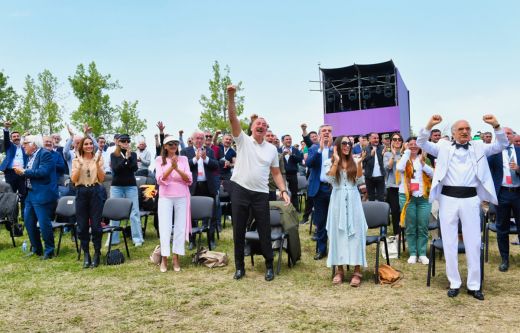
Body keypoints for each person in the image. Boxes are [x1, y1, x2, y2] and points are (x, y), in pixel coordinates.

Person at [416, 114, 508, 300]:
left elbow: (502, 144)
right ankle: (454, 282)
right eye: (461, 129)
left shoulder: (479, 146)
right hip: (448, 198)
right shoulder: (442, 146)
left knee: (473, 242)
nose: (465, 132)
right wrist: (430, 125)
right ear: (453, 133)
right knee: (449, 242)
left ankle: (474, 285)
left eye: (468, 129)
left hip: (471, 199)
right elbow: (421, 142)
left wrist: (496, 125)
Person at [227, 84, 290, 282]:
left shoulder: (272, 150)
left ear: (267, 129)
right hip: (240, 190)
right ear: (252, 127)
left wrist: (283, 190)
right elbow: (232, 118)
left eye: (264, 124)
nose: (261, 125)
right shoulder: (243, 140)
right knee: (239, 230)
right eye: (258, 123)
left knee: (264, 229)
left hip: (261, 193)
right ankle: (239, 267)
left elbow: (277, 173)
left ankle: (269, 266)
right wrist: (231, 96)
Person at [325, 136, 367, 286]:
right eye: (344, 143)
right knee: (338, 233)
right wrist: (336, 161)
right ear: (337, 145)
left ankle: (357, 271)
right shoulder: (329, 162)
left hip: (353, 198)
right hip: (337, 199)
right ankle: (340, 270)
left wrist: (360, 163)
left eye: (349, 143)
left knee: (355, 233)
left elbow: (360, 181)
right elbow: (329, 181)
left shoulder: (355, 161)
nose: (347, 146)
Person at [13, 135, 57, 259]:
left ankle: (49, 251)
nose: (23, 145)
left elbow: (43, 172)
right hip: (31, 194)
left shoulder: (45, 154)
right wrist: (21, 172)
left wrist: (24, 172)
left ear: (34, 144)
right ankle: (37, 249)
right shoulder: (30, 156)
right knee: (28, 222)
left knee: (43, 224)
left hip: (42, 194)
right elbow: (30, 173)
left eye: (26, 143)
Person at [155, 135, 192, 273]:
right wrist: (172, 167)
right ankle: (164, 258)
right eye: (170, 143)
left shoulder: (184, 159)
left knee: (180, 227)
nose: (173, 146)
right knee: (165, 228)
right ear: (165, 146)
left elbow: (188, 178)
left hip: (182, 195)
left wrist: (177, 168)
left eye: (175, 143)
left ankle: (176, 258)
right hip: (165, 196)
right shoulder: (159, 160)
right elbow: (160, 179)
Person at [396, 137, 433, 265]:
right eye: (410, 144)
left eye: (415, 144)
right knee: (411, 227)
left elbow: (433, 174)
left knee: (423, 226)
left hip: (423, 197)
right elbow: (400, 168)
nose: (413, 146)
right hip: (407, 197)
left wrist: (423, 164)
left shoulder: (424, 159)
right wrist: (406, 152)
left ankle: (422, 253)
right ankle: (412, 253)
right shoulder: (403, 158)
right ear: (406, 146)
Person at [487, 127, 520, 272]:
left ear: (513, 136)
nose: (506, 136)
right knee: (502, 228)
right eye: (503, 134)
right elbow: (485, 171)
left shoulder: (519, 151)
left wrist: (518, 169)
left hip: (518, 192)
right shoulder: (494, 153)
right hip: (502, 193)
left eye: (509, 133)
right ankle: (505, 259)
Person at [70, 137, 105, 268]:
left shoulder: (99, 159)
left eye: (91, 143)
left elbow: (101, 179)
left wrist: (96, 164)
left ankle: (97, 253)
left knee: (96, 226)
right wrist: (79, 165)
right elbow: (73, 180)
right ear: (82, 146)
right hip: (81, 192)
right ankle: (86, 254)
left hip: (95, 191)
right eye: (86, 144)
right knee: (82, 226)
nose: (89, 146)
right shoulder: (76, 160)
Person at [181, 131, 219, 249]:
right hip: (193, 186)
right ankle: (192, 239)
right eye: (197, 138)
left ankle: (211, 239)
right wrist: (195, 159)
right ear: (192, 139)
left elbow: (215, 165)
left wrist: (206, 158)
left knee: (212, 214)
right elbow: (183, 166)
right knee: (191, 213)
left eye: (201, 138)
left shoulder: (210, 151)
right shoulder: (185, 151)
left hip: (208, 185)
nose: (199, 140)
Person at [108, 134, 145, 247]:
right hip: (116, 186)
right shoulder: (113, 155)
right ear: (118, 142)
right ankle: (113, 239)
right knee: (114, 212)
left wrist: (128, 158)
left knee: (134, 212)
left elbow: (134, 168)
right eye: (123, 141)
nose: (126, 143)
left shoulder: (133, 154)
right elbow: (116, 169)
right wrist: (125, 159)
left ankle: (137, 239)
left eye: (128, 141)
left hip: (130, 186)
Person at [306, 124, 334, 260]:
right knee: (321, 221)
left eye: (329, 131)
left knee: (335, 220)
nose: (327, 133)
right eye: (324, 131)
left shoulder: (337, 149)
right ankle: (321, 249)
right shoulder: (314, 148)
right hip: (319, 189)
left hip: (334, 188)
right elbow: (309, 164)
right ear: (319, 135)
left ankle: (335, 249)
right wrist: (320, 150)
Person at [1, 121, 28, 216]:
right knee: (11, 195)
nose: (16, 138)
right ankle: (12, 216)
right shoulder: (10, 146)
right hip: (10, 173)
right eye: (14, 137)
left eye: (18, 136)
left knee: (23, 194)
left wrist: (27, 136)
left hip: (22, 173)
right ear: (12, 139)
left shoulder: (25, 147)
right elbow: (6, 139)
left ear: (20, 138)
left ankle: (25, 216)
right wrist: (6, 129)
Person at [383, 132, 404, 236]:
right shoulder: (387, 154)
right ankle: (397, 234)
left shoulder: (405, 154)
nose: (397, 141)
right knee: (395, 211)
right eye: (394, 139)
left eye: (399, 139)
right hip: (393, 187)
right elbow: (388, 168)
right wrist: (394, 154)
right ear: (391, 142)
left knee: (404, 210)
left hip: (404, 187)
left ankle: (405, 233)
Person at [279, 134, 303, 210]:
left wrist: (291, 155)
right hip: (282, 175)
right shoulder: (278, 150)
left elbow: (299, 159)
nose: (289, 140)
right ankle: (284, 209)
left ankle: (295, 210)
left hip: (293, 174)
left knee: (294, 192)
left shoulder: (295, 150)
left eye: (290, 139)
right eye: (287, 139)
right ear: (282, 141)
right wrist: (282, 155)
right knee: (283, 192)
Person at [362, 132, 386, 201]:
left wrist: (384, 155)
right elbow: (363, 164)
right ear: (369, 139)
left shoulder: (382, 148)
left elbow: (385, 162)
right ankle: (372, 211)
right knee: (371, 197)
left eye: (378, 138)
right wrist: (370, 156)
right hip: (369, 177)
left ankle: (381, 211)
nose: (376, 140)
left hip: (381, 177)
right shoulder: (365, 149)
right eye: (374, 138)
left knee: (381, 197)